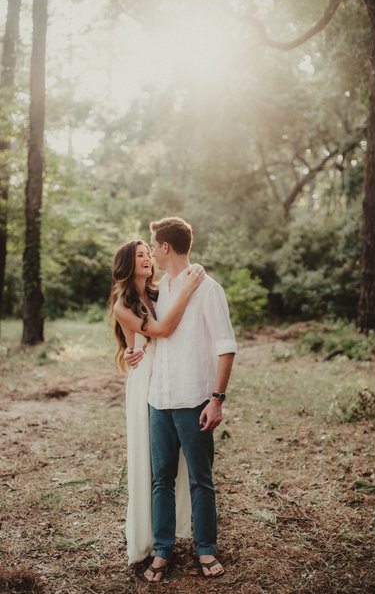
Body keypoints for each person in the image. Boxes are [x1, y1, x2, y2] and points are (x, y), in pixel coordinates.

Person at [124, 217, 236, 582]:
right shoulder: (160, 292)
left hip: (194, 399)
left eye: (153, 246)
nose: (152, 252)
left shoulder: (208, 289)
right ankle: (162, 551)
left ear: (166, 247)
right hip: (159, 399)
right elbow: (140, 325)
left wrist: (216, 399)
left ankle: (205, 550)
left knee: (201, 479)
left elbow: (226, 347)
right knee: (161, 479)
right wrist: (129, 351)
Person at [109, 239, 205, 565]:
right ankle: (145, 539)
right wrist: (188, 289)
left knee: (171, 462)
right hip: (144, 381)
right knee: (147, 460)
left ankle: (174, 529)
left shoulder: (160, 291)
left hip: (171, 375)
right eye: (140, 255)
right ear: (127, 263)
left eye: (148, 253)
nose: (148, 258)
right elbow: (162, 329)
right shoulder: (122, 305)